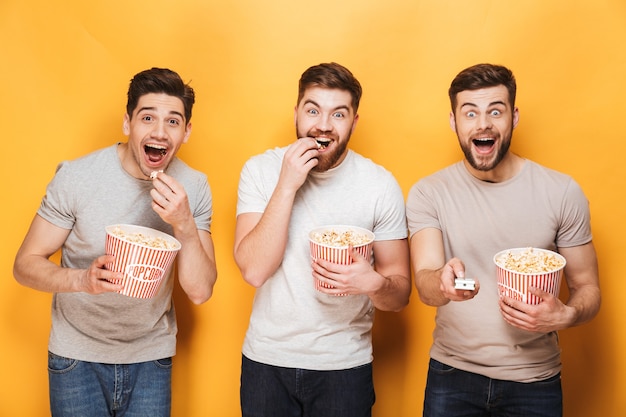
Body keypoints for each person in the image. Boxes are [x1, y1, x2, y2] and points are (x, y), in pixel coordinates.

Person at [13, 67, 217, 416]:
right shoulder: (77, 178)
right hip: (76, 356)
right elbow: (24, 265)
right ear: (128, 124)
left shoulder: (193, 187)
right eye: (147, 118)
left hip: (151, 357)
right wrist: (81, 279)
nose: (159, 132)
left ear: (186, 131)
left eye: (173, 121)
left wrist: (183, 223)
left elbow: (199, 291)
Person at [406, 63, 601, 417]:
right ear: (454, 122)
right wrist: (443, 284)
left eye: (495, 111)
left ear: (514, 116)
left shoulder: (561, 192)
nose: (483, 124)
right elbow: (425, 281)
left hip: (535, 381)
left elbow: (588, 287)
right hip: (452, 376)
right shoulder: (428, 193)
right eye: (470, 113)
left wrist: (567, 314)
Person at [233, 62, 411, 417]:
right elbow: (253, 271)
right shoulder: (261, 170)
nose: (323, 125)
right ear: (296, 112)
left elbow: (400, 295)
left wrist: (372, 283)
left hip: (344, 366)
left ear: (354, 122)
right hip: (267, 361)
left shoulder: (379, 185)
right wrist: (286, 184)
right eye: (313, 110)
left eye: (338, 114)